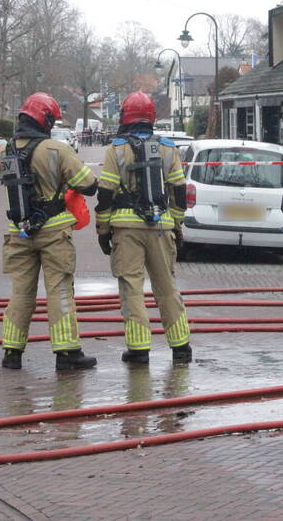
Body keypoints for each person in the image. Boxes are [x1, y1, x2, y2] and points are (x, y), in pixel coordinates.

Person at [1, 92, 99, 371]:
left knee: (21, 291)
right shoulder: (57, 149)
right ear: (44, 120)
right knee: (59, 290)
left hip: (17, 231)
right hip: (53, 231)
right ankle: (67, 353)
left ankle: (11, 352)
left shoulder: (6, 150)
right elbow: (88, 184)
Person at [95, 91, 191, 365]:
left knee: (131, 287)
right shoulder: (168, 148)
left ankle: (139, 349)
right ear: (152, 118)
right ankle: (181, 346)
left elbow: (106, 193)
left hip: (126, 229)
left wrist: (103, 230)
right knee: (167, 287)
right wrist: (176, 224)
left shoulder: (116, 149)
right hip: (161, 225)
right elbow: (179, 191)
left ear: (125, 116)